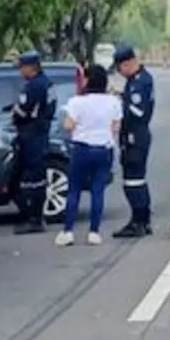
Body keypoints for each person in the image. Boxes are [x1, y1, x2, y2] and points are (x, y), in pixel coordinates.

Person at [54, 65, 121, 247]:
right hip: (103, 149)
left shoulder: (77, 102)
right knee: (97, 190)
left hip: (81, 149)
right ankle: (94, 232)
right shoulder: (113, 102)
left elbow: (68, 125)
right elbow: (116, 127)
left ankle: (68, 231)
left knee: (74, 189)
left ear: (88, 80)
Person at [111, 45, 155, 238]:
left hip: (135, 136)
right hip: (135, 135)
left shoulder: (139, 83)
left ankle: (139, 221)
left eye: (120, 68)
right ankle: (141, 220)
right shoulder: (137, 80)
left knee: (133, 181)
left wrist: (119, 103)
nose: (119, 73)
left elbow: (138, 112)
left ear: (127, 64)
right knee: (136, 180)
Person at [9, 51, 55, 235]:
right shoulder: (46, 83)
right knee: (35, 177)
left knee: (33, 178)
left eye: (22, 67)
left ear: (32, 67)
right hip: (40, 133)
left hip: (32, 134)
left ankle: (34, 219)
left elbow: (23, 111)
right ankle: (34, 217)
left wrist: (14, 114)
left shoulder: (33, 86)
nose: (20, 71)